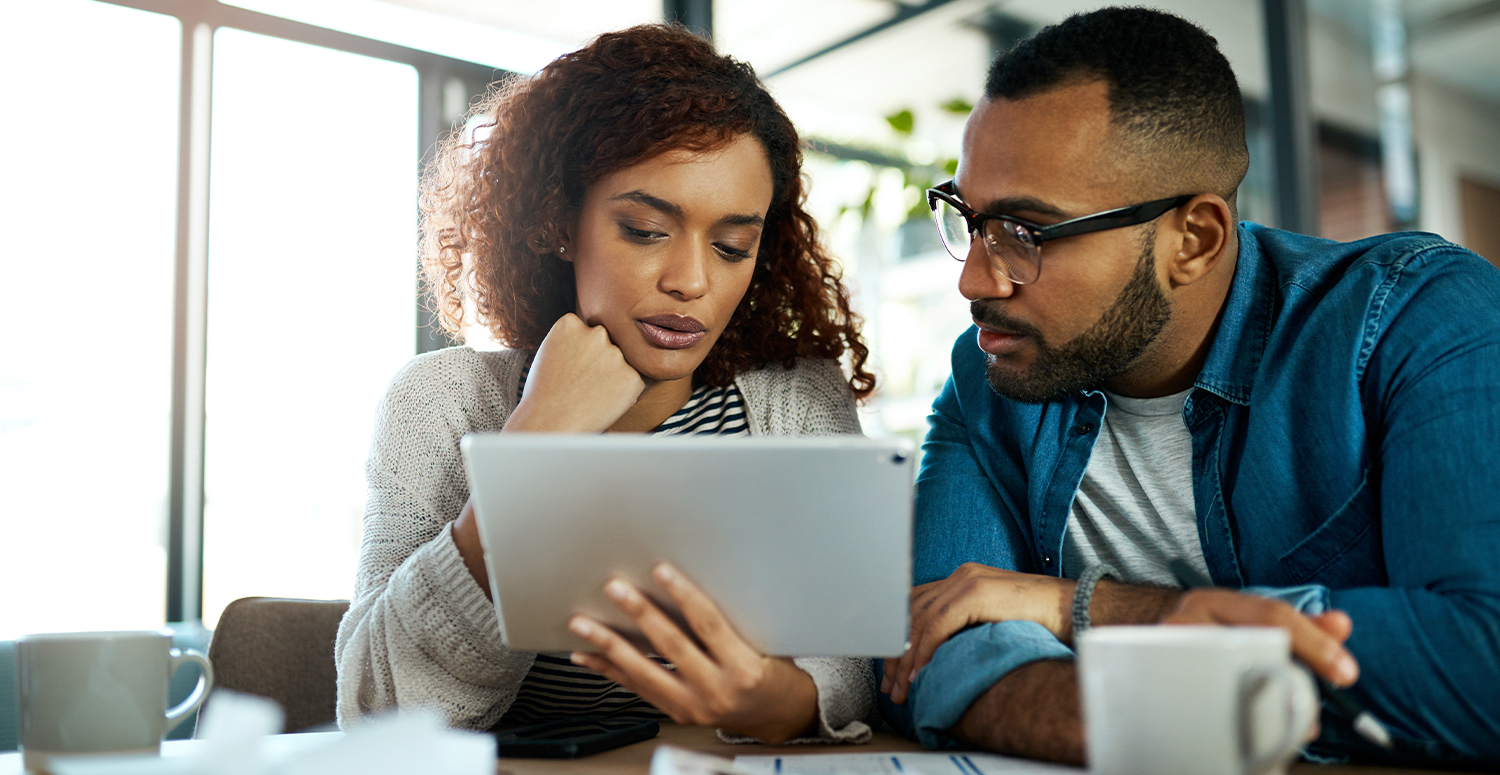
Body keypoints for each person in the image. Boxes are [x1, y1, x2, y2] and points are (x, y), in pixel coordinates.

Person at [877, 6, 1500, 769]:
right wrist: (1198, 693)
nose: (974, 278)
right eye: (969, 220)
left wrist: (1097, 610)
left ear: (1194, 239)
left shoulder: (1416, 320)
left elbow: (1483, 661)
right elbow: (933, 650)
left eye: (1026, 232)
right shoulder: (990, 375)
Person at [334, 24, 880, 746]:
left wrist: (773, 698)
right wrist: (533, 447)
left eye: (731, 246)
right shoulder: (440, 403)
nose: (691, 281)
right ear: (561, 220)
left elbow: (846, 673)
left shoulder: (797, 402)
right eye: (646, 229)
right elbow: (377, 708)